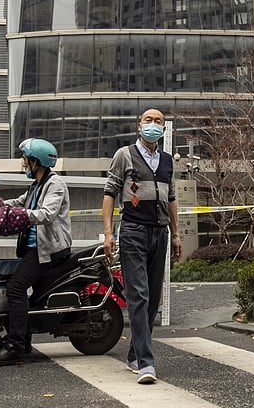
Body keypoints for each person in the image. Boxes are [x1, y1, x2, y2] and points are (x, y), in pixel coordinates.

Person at [101, 107, 182, 385]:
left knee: (153, 299)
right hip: (133, 231)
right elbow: (109, 194)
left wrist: (177, 233)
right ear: (139, 126)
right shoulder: (124, 155)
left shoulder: (168, 161)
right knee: (139, 295)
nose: (153, 125)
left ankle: (134, 354)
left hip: (160, 233)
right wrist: (108, 233)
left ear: (164, 128)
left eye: (158, 121)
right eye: (148, 120)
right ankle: (146, 363)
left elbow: (171, 198)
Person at [0, 138, 72, 365]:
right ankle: (21, 340)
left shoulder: (55, 184)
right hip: (34, 248)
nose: (23, 163)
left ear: (36, 161)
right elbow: (20, 202)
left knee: (15, 288)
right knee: (21, 290)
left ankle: (15, 345)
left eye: (25, 159)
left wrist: (21, 215)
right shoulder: (36, 185)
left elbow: (47, 213)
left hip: (49, 249)